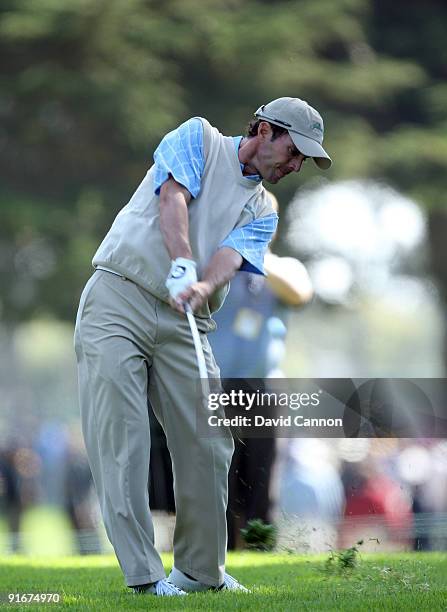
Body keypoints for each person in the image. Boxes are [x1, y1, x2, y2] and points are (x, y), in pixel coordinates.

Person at [74, 97, 331, 596]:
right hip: (117, 296)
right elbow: (173, 197)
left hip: (185, 315)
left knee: (211, 442)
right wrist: (181, 263)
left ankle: (199, 572)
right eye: (295, 151)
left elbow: (231, 258)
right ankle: (145, 578)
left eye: (304, 159)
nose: (297, 164)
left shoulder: (261, 209)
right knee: (121, 439)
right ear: (264, 129)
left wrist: (200, 285)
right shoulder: (199, 138)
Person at [210, 192, 314, 548]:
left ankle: (259, 553)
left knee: (261, 481)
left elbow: (300, 292)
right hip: (215, 389)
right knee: (216, 481)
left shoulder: (283, 267)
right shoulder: (217, 263)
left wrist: (257, 254)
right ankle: (216, 560)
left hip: (264, 390)